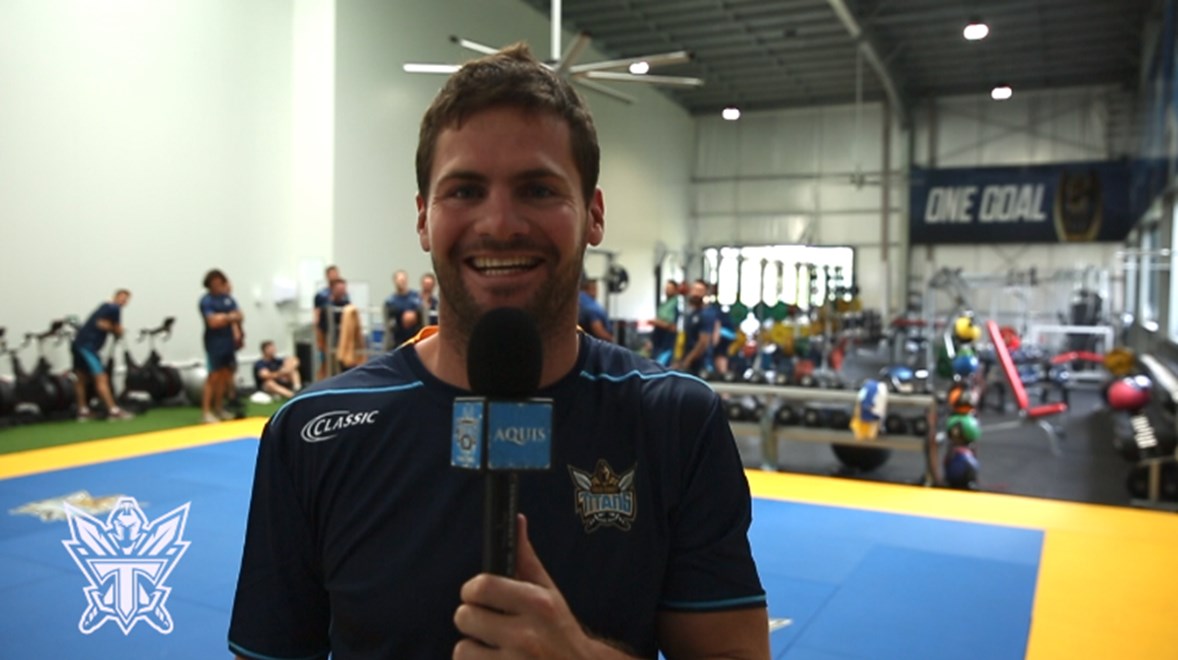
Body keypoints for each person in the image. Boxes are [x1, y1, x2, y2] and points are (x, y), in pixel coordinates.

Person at [229, 43, 767, 660]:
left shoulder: (675, 421)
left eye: (538, 189)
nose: (500, 223)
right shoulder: (313, 433)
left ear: (593, 214)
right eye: (464, 191)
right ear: (423, 219)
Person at [71, 289, 133, 421]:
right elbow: (113, 327)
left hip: (78, 344)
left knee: (81, 378)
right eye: (121, 297)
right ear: (115, 297)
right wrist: (115, 329)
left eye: (126, 299)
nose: (123, 301)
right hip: (87, 347)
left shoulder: (104, 306)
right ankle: (113, 411)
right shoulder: (114, 308)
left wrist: (109, 327)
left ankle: (82, 411)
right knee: (101, 377)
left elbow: (102, 324)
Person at [199, 269, 243, 423]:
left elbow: (240, 315)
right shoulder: (206, 301)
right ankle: (206, 412)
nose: (217, 286)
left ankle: (219, 408)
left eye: (220, 283)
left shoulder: (228, 299)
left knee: (225, 375)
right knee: (213, 376)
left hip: (228, 342)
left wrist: (224, 318)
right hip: (214, 343)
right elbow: (212, 322)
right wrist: (229, 317)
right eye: (214, 283)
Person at [674, 280, 718, 376]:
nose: (696, 294)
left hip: (700, 363)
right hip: (687, 358)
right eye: (694, 289)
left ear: (705, 293)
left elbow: (703, 342)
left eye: (699, 290)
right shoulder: (691, 313)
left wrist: (687, 360)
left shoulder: (706, 314)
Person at [313, 265, 348, 379]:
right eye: (332, 274)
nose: (334, 276)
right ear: (327, 276)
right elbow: (316, 315)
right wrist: (318, 334)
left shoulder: (345, 297)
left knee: (339, 359)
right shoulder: (321, 295)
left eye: (336, 274)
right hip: (326, 332)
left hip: (340, 333)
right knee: (326, 359)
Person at [384, 269, 422, 348]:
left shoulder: (416, 297)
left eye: (404, 280)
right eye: (400, 280)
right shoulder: (390, 301)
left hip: (415, 338)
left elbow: (423, 318)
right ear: (395, 281)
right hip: (398, 340)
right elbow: (388, 325)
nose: (402, 282)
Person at [649, 279, 680, 366]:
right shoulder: (663, 305)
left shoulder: (675, 306)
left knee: (661, 366)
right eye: (666, 288)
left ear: (675, 290)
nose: (667, 290)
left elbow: (672, 327)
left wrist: (657, 322)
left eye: (670, 288)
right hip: (657, 341)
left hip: (666, 343)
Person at [577, 275, 613, 341]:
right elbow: (598, 330)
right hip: (595, 342)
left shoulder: (578, 300)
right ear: (593, 289)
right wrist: (613, 339)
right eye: (596, 289)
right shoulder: (592, 307)